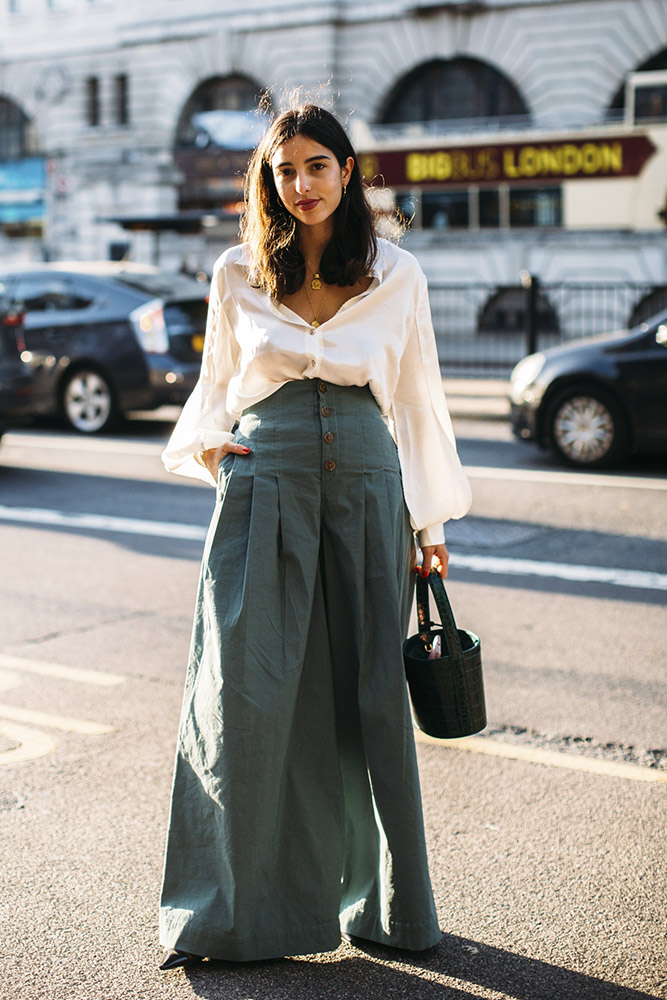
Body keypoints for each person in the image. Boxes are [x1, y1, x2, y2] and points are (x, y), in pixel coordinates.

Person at [157, 103, 471, 970]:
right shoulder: (237, 271)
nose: (299, 184)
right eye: (283, 169)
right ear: (269, 179)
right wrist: (219, 455)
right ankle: (235, 913)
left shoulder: (396, 273)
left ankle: (389, 908)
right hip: (268, 482)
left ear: (348, 171)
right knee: (247, 697)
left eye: (316, 166)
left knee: (370, 695)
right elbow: (217, 385)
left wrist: (428, 522)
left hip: (370, 487)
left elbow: (415, 400)